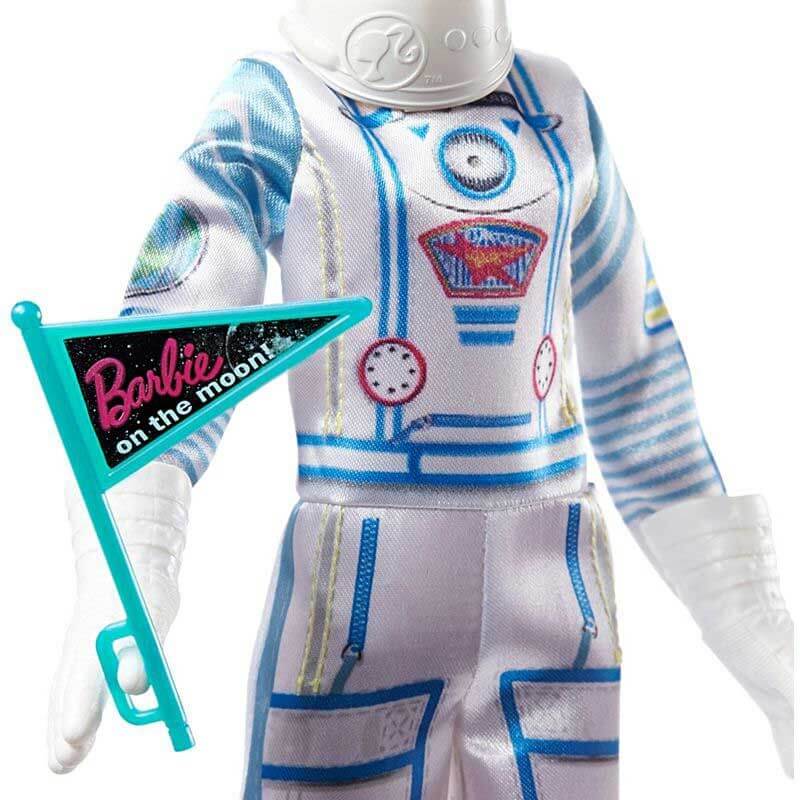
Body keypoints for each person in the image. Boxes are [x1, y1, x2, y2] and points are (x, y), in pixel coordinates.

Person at [48, 2, 795, 797]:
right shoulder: (276, 105)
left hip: (554, 577)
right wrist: (130, 554)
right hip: (363, 582)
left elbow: (639, 375)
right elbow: (174, 332)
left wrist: (744, 606)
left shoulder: (561, 106)